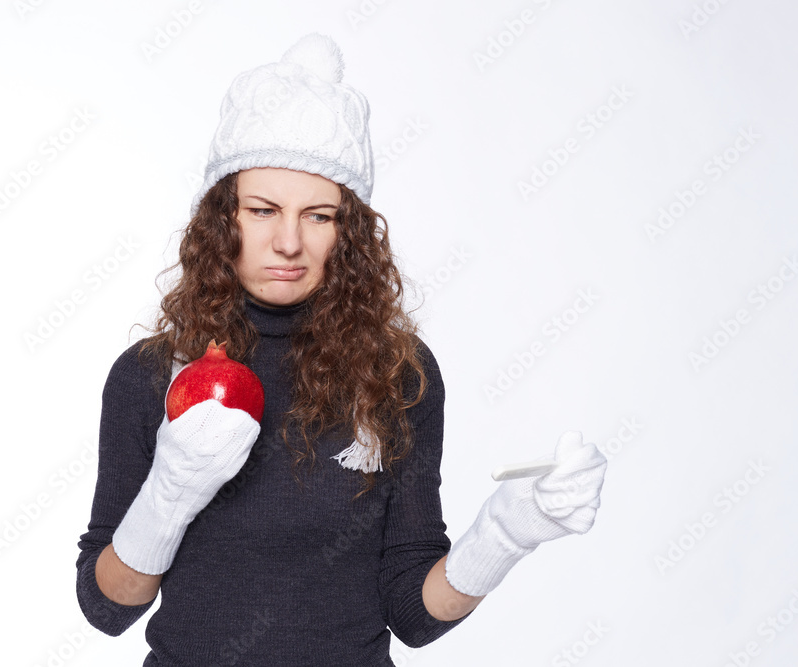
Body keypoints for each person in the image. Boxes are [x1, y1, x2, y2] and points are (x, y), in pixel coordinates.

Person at [75, 33, 608, 666]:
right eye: (263, 209)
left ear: (349, 233)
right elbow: (109, 608)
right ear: (225, 219)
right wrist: (170, 491)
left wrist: (506, 533)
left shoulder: (398, 374)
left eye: (320, 215)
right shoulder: (151, 375)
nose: (288, 242)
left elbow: (411, 611)